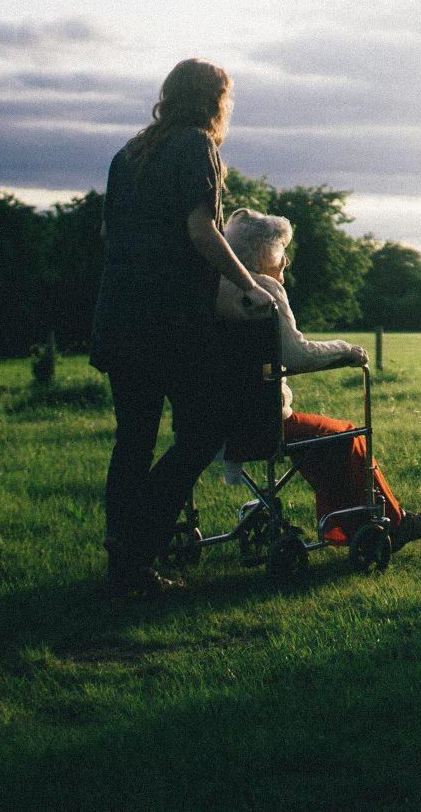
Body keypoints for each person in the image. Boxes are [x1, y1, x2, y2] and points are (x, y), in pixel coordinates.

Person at [89, 58, 276, 597]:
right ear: (215, 99)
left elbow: (111, 233)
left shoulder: (129, 154)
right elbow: (202, 230)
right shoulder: (197, 148)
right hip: (168, 320)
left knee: (134, 440)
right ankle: (137, 550)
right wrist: (249, 285)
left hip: (119, 313)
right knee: (201, 434)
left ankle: (124, 563)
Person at [215, 208, 421, 551]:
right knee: (346, 435)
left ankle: (346, 528)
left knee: (322, 441)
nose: (285, 260)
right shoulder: (264, 291)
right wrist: (345, 350)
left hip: (218, 423)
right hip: (262, 423)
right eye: (281, 251)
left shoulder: (218, 289)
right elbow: (297, 354)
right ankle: (391, 523)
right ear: (263, 253)